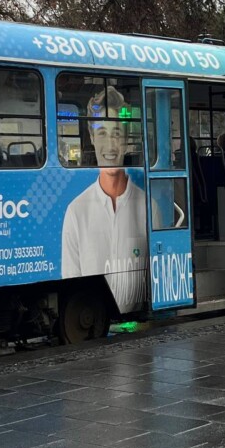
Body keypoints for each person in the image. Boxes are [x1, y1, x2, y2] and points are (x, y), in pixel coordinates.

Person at [61, 89, 146, 314]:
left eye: (117, 133)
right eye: (101, 133)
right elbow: (70, 281)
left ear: (127, 140)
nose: (109, 145)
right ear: (91, 137)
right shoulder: (76, 212)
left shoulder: (148, 207)